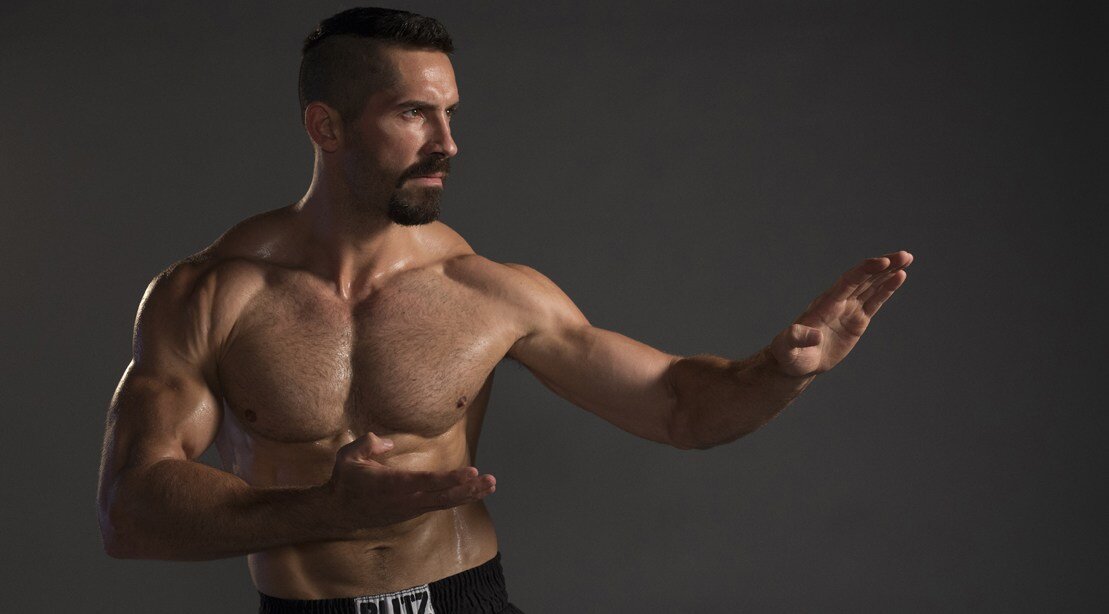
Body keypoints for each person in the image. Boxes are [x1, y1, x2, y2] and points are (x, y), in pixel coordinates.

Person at [97, 7, 912, 613]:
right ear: (326, 126)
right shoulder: (210, 295)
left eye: (449, 113)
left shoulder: (485, 290)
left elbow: (676, 407)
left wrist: (778, 373)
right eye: (413, 113)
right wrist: (323, 512)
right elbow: (130, 513)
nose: (447, 142)